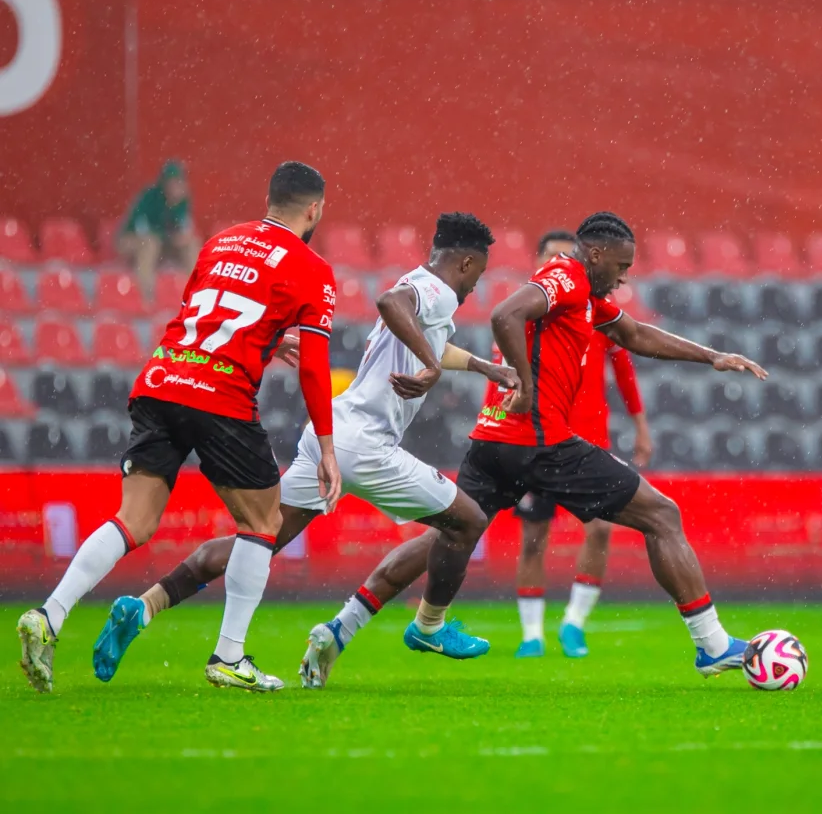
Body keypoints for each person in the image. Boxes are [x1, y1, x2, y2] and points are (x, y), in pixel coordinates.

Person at [90, 213, 517, 689]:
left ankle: (145, 605)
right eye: (478, 274)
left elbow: (427, 335)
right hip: (366, 446)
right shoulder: (434, 291)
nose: (476, 286)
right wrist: (431, 366)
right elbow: (390, 303)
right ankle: (429, 627)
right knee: (468, 521)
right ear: (465, 262)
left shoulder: (422, 286)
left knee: (258, 541)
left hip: (332, 431)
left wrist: (485, 368)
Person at [17, 161, 341, 693]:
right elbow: (313, 367)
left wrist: (263, 339)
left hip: (162, 378)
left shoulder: (220, 241)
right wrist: (326, 448)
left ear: (269, 200)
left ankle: (49, 615)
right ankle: (229, 657)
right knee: (263, 521)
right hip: (220, 393)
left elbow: (202, 315)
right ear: (314, 209)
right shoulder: (313, 267)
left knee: (133, 520)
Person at [402, 212, 768, 677]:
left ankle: (374, 624)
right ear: (595, 254)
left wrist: (711, 356)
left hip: (494, 440)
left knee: (453, 531)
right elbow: (503, 314)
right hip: (542, 442)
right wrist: (525, 385)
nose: (624, 276)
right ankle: (712, 645)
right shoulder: (568, 277)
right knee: (661, 515)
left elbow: (634, 334)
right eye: (621, 266)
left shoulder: (588, 295)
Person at [511, 229, 652, 660]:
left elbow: (624, 369)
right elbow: (504, 374)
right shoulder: (527, 312)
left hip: (589, 438)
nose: (559, 266)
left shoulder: (594, 308)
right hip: (539, 436)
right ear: (537, 262)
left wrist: (640, 426)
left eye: (565, 257)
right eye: (550, 258)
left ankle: (574, 623)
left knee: (601, 529)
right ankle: (532, 635)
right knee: (534, 536)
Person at [119, 159, 200, 301]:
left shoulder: (183, 200)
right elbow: (142, 230)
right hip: (131, 240)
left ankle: (195, 294)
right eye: (171, 182)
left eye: (178, 182)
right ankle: (146, 297)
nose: (175, 186)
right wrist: (172, 237)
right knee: (150, 244)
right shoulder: (150, 197)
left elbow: (185, 228)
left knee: (192, 243)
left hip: (164, 243)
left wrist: (182, 236)